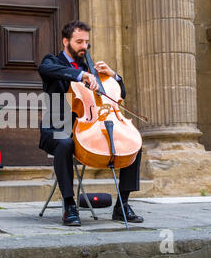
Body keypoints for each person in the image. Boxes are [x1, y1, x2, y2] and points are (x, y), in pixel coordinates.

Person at [38, 20, 144, 226]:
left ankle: (122, 205)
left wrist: (114, 76)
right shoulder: (53, 61)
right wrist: (80, 75)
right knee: (64, 143)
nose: (84, 46)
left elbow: (120, 94)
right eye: (79, 41)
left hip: (91, 127)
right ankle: (69, 205)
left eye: (86, 42)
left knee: (133, 144)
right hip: (58, 128)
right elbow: (47, 70)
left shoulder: (91, 68)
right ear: (65, 41)